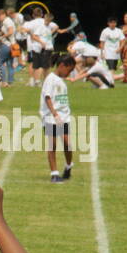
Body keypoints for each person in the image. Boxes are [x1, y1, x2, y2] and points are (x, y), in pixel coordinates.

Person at [41, 53, 75, 183]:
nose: (69, 73)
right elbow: (47, 97)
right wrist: (55, 114)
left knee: (67, 144)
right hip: (51, 117)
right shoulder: (50, 79)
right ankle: (54, 174)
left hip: (64, 117)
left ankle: (68, 165)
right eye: (69, 70)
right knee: (52, 144)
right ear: (62, 65)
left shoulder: (61, 80)